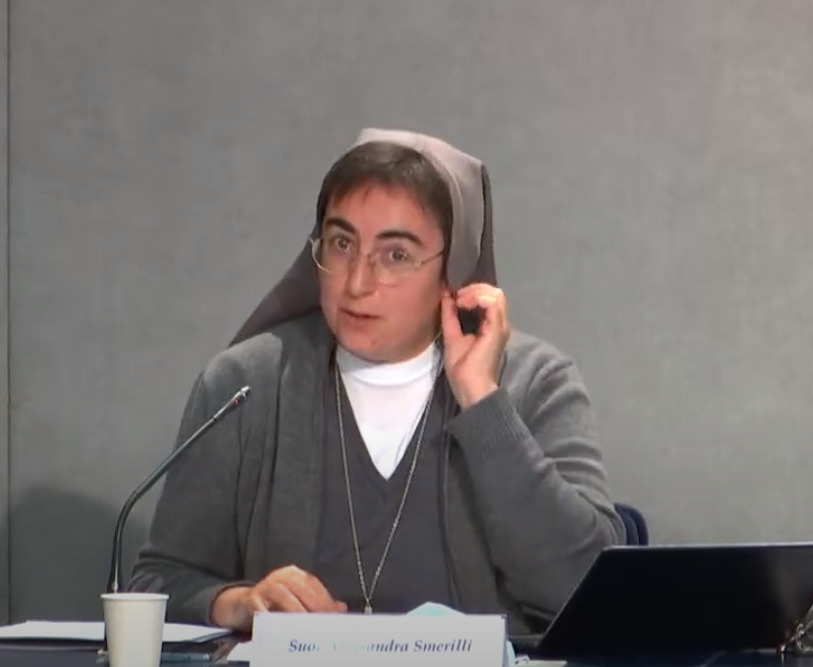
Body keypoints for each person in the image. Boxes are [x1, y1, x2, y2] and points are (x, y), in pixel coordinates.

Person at [129, 128, 625, 634]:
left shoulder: (536, 382)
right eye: (342, 243)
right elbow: (156, 584)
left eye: (396, 255)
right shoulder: (245, 386)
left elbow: (587, 592)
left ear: (453, 271)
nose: (356, 283)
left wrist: (482, 402)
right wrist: (236, 603)